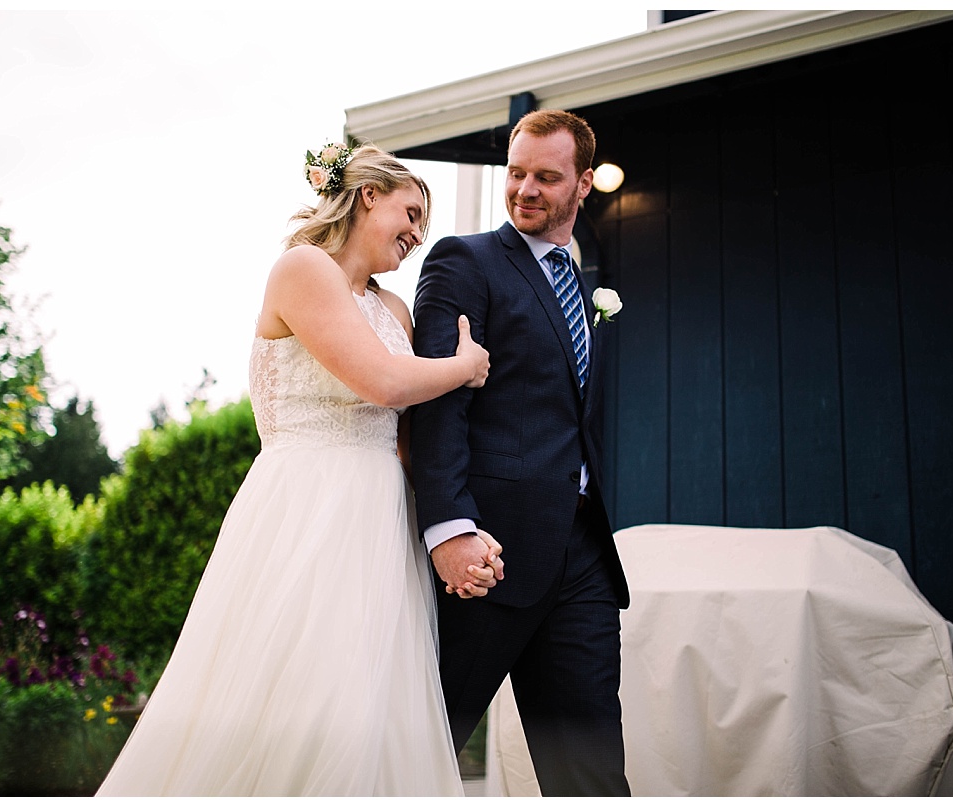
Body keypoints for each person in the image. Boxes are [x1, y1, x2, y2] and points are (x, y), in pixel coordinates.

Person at [96, 143, 502, 797]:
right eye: (410, 211)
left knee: (368, 708)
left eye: (424, 224)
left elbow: (407, 442)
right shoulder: (303, 269)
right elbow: (382, 381)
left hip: (381, 526)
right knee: (293, 699)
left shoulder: (394, 309)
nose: (417, 234)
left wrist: (457, 529)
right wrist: (465, 366)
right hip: (309, 510)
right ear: (368, 194)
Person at [411, 109, 631, 796]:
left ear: (584, 183)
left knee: (592, 771)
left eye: (547, 176)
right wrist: (449, 527)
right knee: (424, 749)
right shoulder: (464, 260)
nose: (526, 189)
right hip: (487, 557)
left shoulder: (582, 281)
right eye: (516, 173)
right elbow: (437, 403)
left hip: (584, 559)